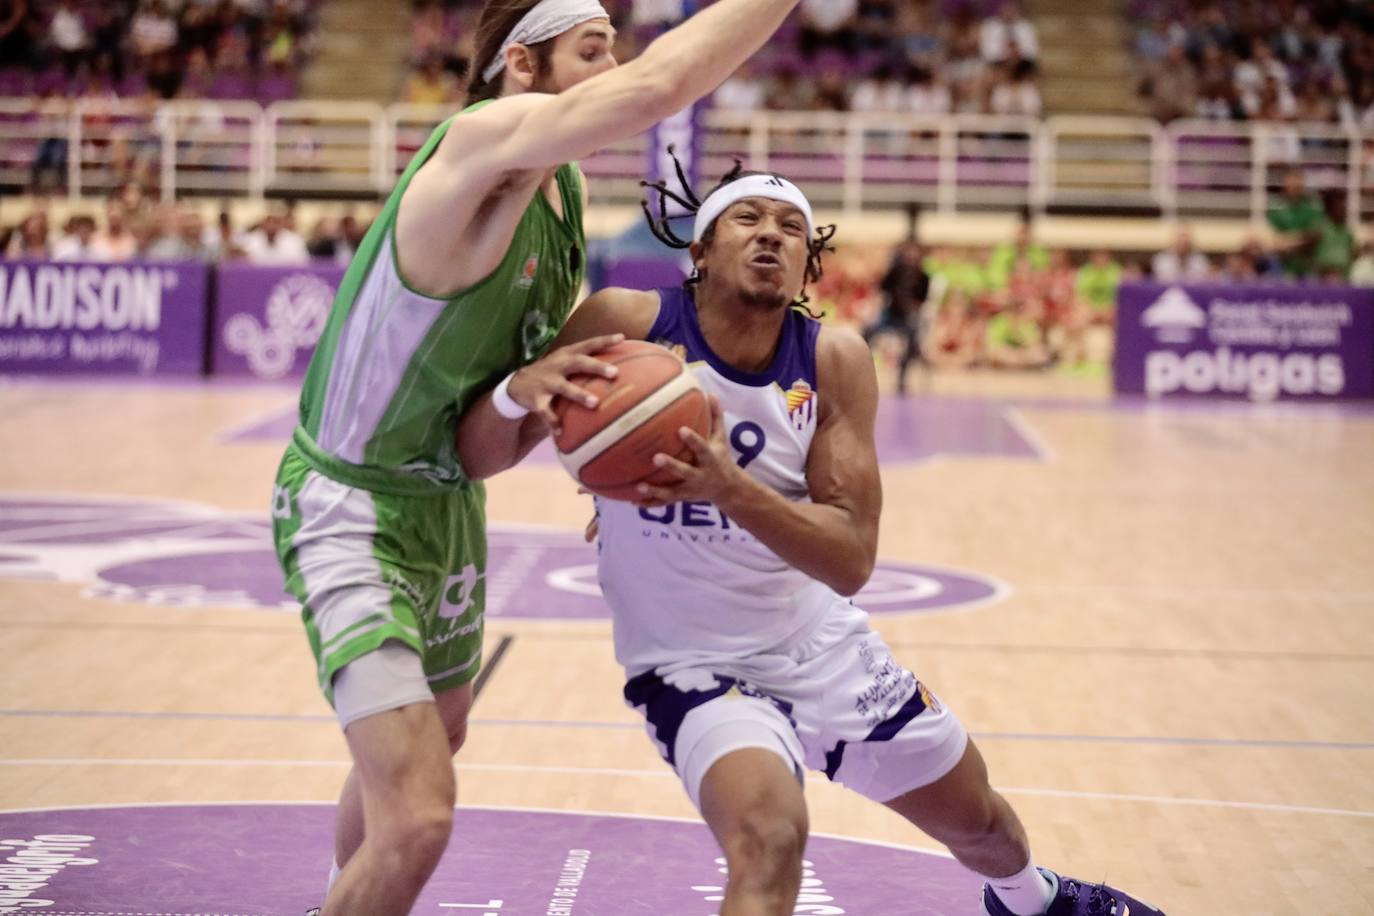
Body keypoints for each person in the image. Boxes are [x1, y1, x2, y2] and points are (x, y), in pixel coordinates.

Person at [456, 164, 1167, 916]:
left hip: (824, 648)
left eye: (790, 227)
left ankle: (1035, 901)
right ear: (699, 250)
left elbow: (852, 559)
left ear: (808, 263)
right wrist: (513, 392)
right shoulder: (625, 321)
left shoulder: (833, 360)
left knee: (985, 827)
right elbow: (479, 454)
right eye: (747, 219)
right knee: (769, 839)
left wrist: (727, 487)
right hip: (691, 665)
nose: (770, 235)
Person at [267, 1, 803, 914]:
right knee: (420, 817)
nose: (613, 67)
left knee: (441, 731)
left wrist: (574, 425)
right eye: (592, 51)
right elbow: (661, 85)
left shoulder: (562, 199)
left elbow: (490, 442)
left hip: (442, 501)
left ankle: (343, 892)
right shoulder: (478, 148)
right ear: (522, 66)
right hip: (352, 503)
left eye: (614, 48)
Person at [864, 239, 930, 394]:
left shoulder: (923, 277)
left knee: (913, 338)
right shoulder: (895, 272)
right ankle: (863, 368)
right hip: (889, 314)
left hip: (908, 317)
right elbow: (882, 291)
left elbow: (921, 302)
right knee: (868, 331)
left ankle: (902, 377)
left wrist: (909, 306)